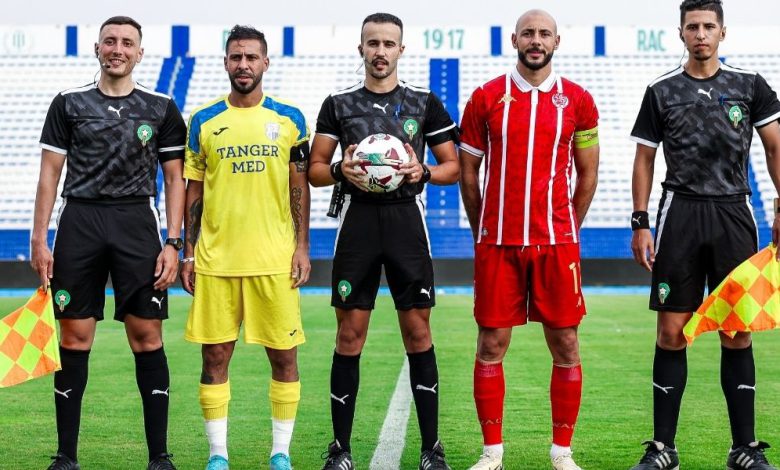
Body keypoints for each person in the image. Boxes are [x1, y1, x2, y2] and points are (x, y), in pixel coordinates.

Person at [30, 15, 186, 470]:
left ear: (140, 53)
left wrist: (173, 242)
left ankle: (159, 456)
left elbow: (174, 179)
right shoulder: (68, 103)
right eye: (110, 41)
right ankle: (66, 456)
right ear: (97, 48)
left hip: (136, 223)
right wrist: (39, 239)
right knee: (74, 336)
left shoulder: (161, 107)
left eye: (127, 43)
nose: (118, 49)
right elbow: (49, 175)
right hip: (80, 221)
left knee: (147, 336)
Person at [629, 1, 780, 469]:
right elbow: (644, 159)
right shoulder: (661, 90)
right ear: (681, 33)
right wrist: (640, 221)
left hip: (734, 212)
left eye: (708, 26)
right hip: (680, 214)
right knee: (671, 333)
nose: (700, 34)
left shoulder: (750, 86)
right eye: (692, 26)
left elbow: (775, 147)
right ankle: (663, 449)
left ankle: (744, 449)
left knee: (736, 331)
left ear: (722, 32)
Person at [308, 12, 459, 470]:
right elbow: (315, 169)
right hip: (357, 222)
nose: (380, 51)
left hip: (405, 221)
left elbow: (453, 167)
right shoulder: (339, 104)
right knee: (349, 334)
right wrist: (341, 169)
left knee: (418, 332)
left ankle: (431, 449)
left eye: (388, 44)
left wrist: (422, 171)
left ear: (400, 49)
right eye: (372, 43)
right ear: (361, 49)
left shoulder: (423, 102)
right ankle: (340, 449)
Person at [459, 9, 600, 470]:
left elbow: (588, 174)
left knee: (566, 345)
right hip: (498, 245)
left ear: (557, 41)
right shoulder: (485, 97)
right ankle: (491, 453)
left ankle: (562, 453)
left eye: (544, 34)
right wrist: (483, 229)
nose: (535, 40)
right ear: (514, 40)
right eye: (528, 34)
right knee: (490, 345)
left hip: (557, 245)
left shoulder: (579, 100)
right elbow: (468, 172)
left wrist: (567, 225)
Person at [180, 25, 311, 470]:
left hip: (274, 260)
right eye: (236, 57)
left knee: (284, 357)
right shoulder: (203, 120)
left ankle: (280, 453)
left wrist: (302, 247)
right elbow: (194, 191)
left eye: (251, 57)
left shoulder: (290, 119)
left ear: (265, 63)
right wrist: (189, 252)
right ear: (225, 63)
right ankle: (218, 455)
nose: (243, 65)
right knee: (214, 357)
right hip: (217, 260)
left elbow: (299, 187)